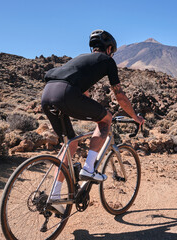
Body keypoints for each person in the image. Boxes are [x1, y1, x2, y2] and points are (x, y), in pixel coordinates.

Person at [41, 29, 144, 214]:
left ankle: (55, 196)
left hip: (47, 94)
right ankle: (89, 168)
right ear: (110, 48)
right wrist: (135, 117)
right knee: (106, 119)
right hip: (66, 93)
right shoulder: (107, 61)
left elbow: (84, 94)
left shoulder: (81, 60)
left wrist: (89, 107)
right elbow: (119, 95)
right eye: (112, 51)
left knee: (70, 145)